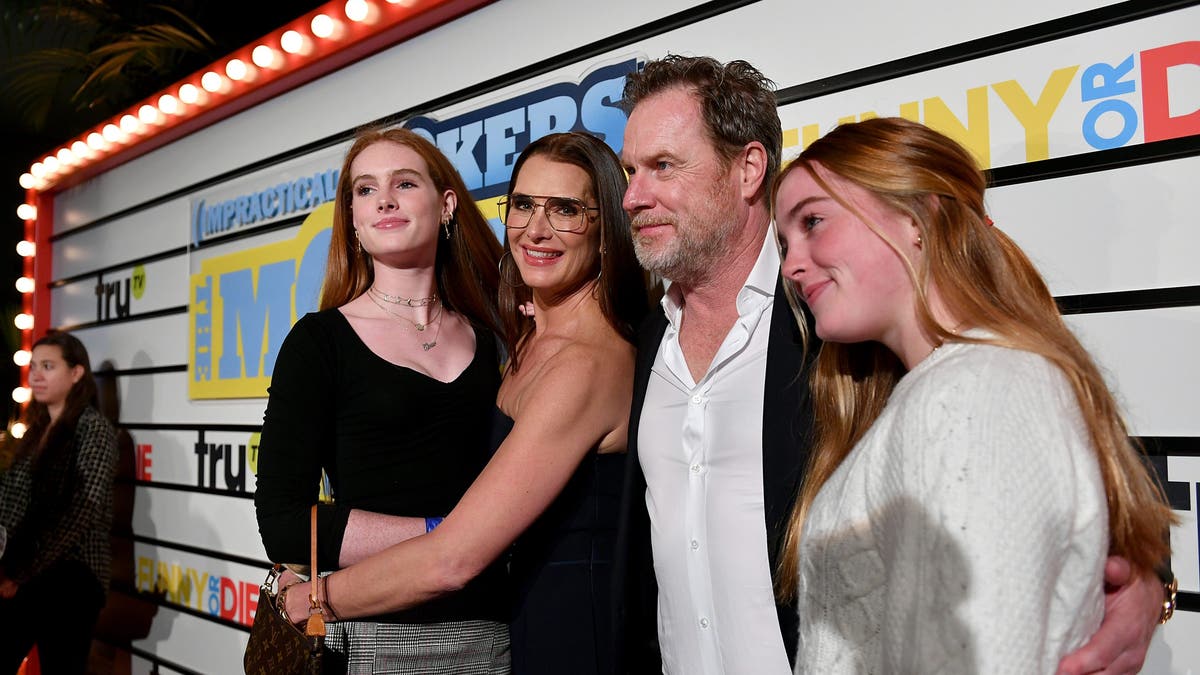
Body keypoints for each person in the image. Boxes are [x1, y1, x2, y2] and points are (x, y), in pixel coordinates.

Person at [612, 54, 1173, 675]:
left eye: (663, 166)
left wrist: (1144, 583)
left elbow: (1064, 448)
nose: (634, 195)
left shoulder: (844, 316)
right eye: (630, 170)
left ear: (747, 168)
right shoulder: (646, 339)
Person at [772, 116, 1178, 673]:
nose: (791, 265)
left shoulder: (978, 391)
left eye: (813, 221)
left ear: (917, 217)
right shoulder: (933, 388)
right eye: (784, 241)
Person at [277, 131, 648, 675]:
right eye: (522, 205)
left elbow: (454, 556)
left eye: (566, 209)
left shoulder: (579, 362)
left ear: (608, 229)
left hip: (560, 632)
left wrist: (310, 599)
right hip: (495, 629)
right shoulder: (520, 336)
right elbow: (287, 518)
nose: (536, 229)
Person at [254, 127, 510, 673]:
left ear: (446, 205)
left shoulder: (494, 340)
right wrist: (444, 538)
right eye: (365, 190)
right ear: (351, 218)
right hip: (371, 640)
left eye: (404, 182)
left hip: (495, 636)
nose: (384, 199)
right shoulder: (319, 341)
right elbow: (283, 522)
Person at [0, 330, 119, 674]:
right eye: (34, 366)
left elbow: (82, 510)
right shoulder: (35, 429)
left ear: (76, 373)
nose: (35, 375)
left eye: (48, 366)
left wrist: (20, 572)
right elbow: (11, 504)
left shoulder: (92, 429)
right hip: (26, 573)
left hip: (71, 577)